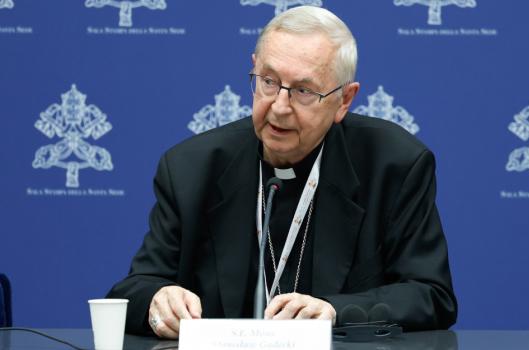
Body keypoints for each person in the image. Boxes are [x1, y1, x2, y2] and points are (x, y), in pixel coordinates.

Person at [107, 6, 457, 339]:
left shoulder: (393, 165)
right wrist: (158, 300)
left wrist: (336, 313)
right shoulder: (191, 168)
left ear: (345, 100)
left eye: (303, 91)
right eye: (269, 81)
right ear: (254, 69)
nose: (279, 107)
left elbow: (430, 295)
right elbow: (134, 289)